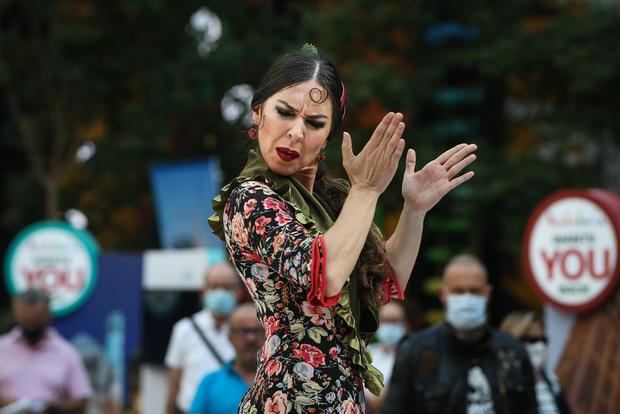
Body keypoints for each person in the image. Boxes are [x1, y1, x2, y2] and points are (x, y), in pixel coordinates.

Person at [208, 44, 477, 412]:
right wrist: (366, 191)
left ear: (328, 135)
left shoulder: (333, 203)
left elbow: (382, 283)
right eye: (284, 112)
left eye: (315, 123)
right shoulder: (250, 198)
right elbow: (325, 274)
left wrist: (414, 210)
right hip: (289, 400)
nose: (296, 132)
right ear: (258, 113)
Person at [381, 254, 538, 414]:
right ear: (443, 294)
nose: (466, 298)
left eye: (475, 291)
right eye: (458, 291)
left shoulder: (512, 352)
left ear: (488, 294)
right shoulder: (416, 351)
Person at [165, 263, 241, 414]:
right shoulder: (184, 329)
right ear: (203, 292)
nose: (220, 293)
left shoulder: (249, 331)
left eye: (227, 287)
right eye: (214, 287)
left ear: (239, 292)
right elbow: (174, 380)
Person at [0, 289, 93, 413]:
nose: (31, 326)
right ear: (17, 314)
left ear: (48, 316)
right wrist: (10, 404)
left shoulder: (66, 353)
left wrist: (52, 408)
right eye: (27, 320)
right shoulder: (2, 348)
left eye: (36, 321)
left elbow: (81, 401)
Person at [189, 303, 265, 414]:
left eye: (257, 330)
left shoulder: (283, 381)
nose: (251, 338)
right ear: (230, 337)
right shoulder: (210, 383)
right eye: (244, 331)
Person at [500, 311, 572, 414]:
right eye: (531, 340)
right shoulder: (501, 386)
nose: (539, 347)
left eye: (543, 340)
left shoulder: (552, 382)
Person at [365, 302, 408, 413]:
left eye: (394, 321)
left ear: (405, 324)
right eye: (385, 321)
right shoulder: (366, 353)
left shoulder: (410, 355)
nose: (390, 326)